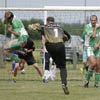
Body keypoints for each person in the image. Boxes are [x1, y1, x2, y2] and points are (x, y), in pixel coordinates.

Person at [41, 17, 71, 94]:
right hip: (60, 45)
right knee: (63, 67)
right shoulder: (60, 27)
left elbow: (43, 37)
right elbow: (68, 36)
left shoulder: (44, 27)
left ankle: (49, 72)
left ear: (47, 21)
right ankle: (64, 83)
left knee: (50, 60)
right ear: (54, 22)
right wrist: (64, 39)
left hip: (50, 46)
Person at [82, 15, 100, 88]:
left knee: (98, 66)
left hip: (98, 48)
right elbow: (93, 36)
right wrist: (95, 28)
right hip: (89, 47)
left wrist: (98, 45)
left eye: (94, 20)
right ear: (90, 20)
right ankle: (87, 81)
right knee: (93, 63)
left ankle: (96, 84)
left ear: (97, 20)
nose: (93, 22)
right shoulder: (87, 27)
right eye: (92, 20)